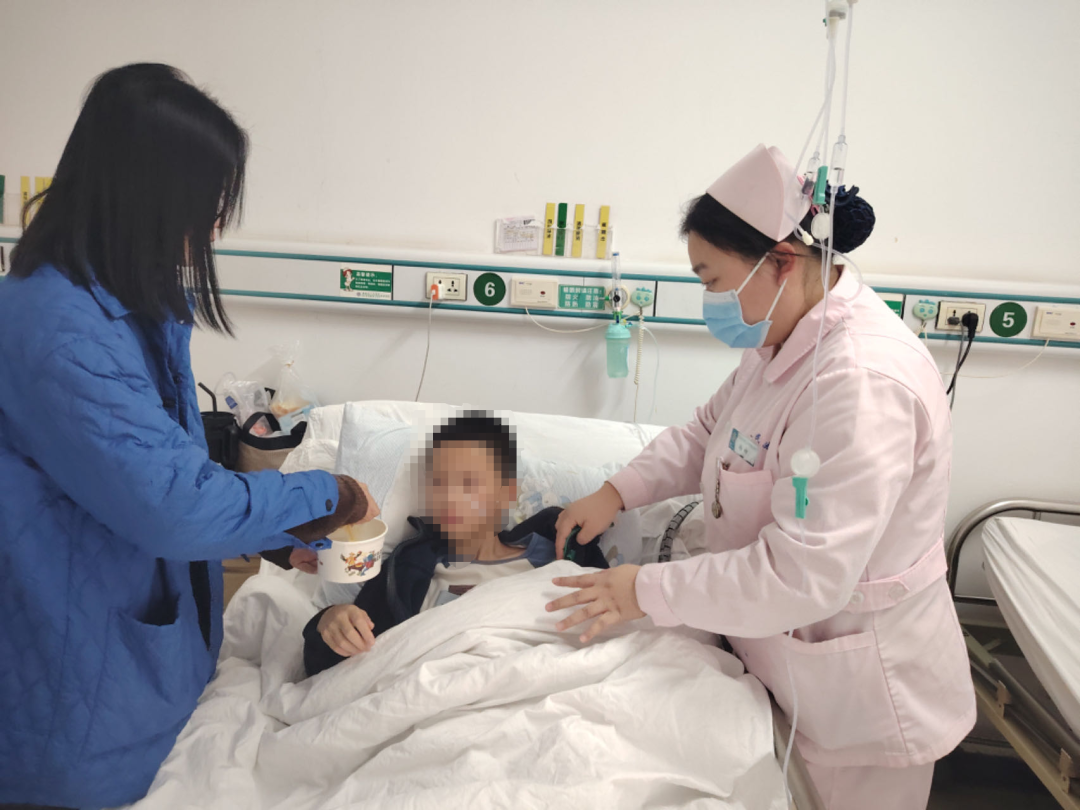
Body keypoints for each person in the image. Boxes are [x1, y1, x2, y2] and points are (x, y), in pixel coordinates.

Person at [545, 144, 975, 810]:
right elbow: (707, 433)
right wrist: (618, 491)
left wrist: (643, 590)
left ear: (781, 261)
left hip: (859, 695)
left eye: (714, 280)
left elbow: (802, 574)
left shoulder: (860, 383)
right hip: (781, 663)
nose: (710, 300)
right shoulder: (782, 334)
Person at [0, 64, 377, 809]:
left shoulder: (128, 301)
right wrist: (328, 495)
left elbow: (148, 472)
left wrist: (279, 533)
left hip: (141, 674)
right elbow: (174, 505)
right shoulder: (58, 330)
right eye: (209, 202)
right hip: (74, 699)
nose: (216, 226)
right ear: (146, 191)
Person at [301, 412, 608, 677]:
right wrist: (329, 622)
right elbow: (334, 671)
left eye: (468, 483)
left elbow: (613, 628)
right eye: (437, 483)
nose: (449, 496)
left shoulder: (558, 555)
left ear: (507, 493)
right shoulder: (406, 569)